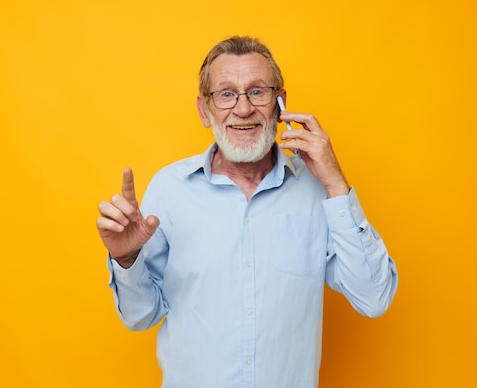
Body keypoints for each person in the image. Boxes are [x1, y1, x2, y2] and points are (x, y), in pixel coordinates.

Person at [96, 36, 398, 388]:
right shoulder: (169, 189)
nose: (242, 109)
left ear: (280, 102)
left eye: (258, 92)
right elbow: (140, 316)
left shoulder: (319, 192)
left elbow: (374, 298)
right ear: (204, 110)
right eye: (225, 94)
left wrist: (336, 185)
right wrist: (127, 260)